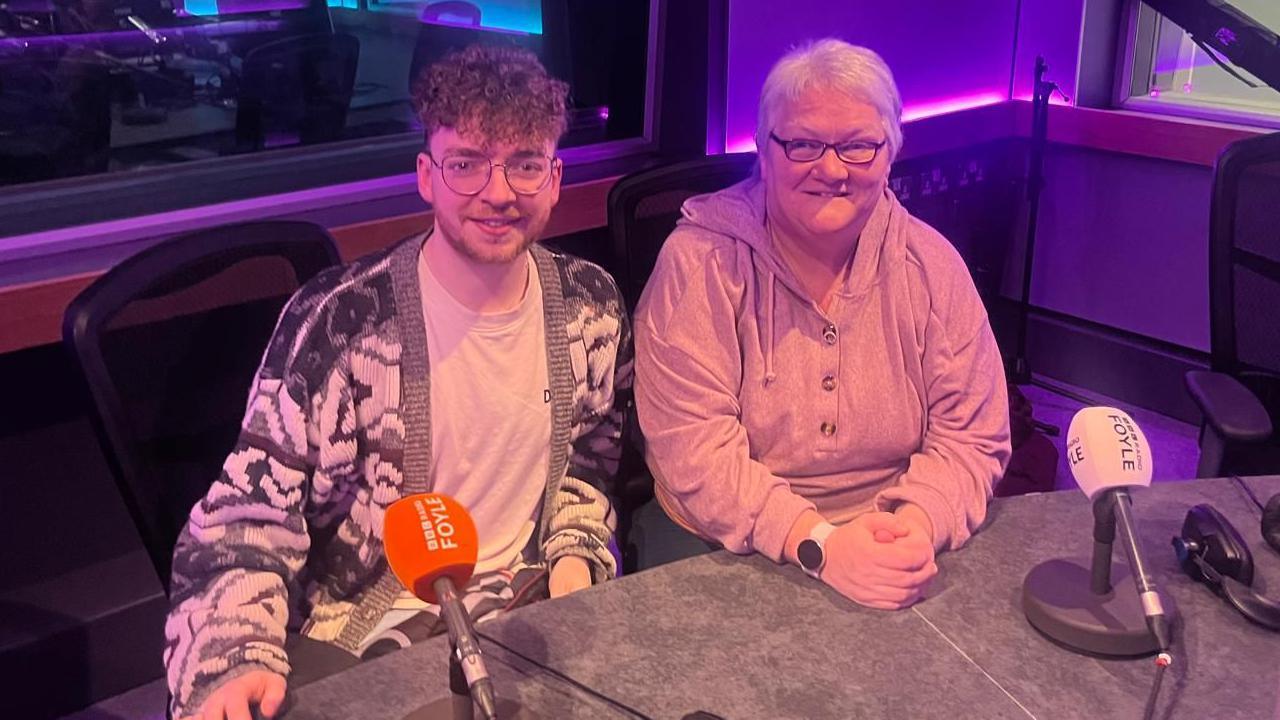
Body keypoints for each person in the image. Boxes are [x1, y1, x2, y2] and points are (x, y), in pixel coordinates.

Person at [164, 44, 633, 720]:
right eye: (467, 163)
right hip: (370, 633)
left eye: (525, 164)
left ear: (555, 178)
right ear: (426, 175)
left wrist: (576, 563)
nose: (498, 192)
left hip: (526, 613)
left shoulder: (592, 305)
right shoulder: (342, 323)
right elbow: (244, 519)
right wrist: (232, 658)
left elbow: (590, 469)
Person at [633, 38, 1010, 609]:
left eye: (858, 146)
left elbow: (973, 435)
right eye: (804, 144)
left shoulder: (931, 265)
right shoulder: (699, 263)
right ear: (763, 150)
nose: (832, 169)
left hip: (888, 532)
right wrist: (821, 545)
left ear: (891, 152)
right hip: (719, 538)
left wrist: (917, 523)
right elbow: (694, 453)